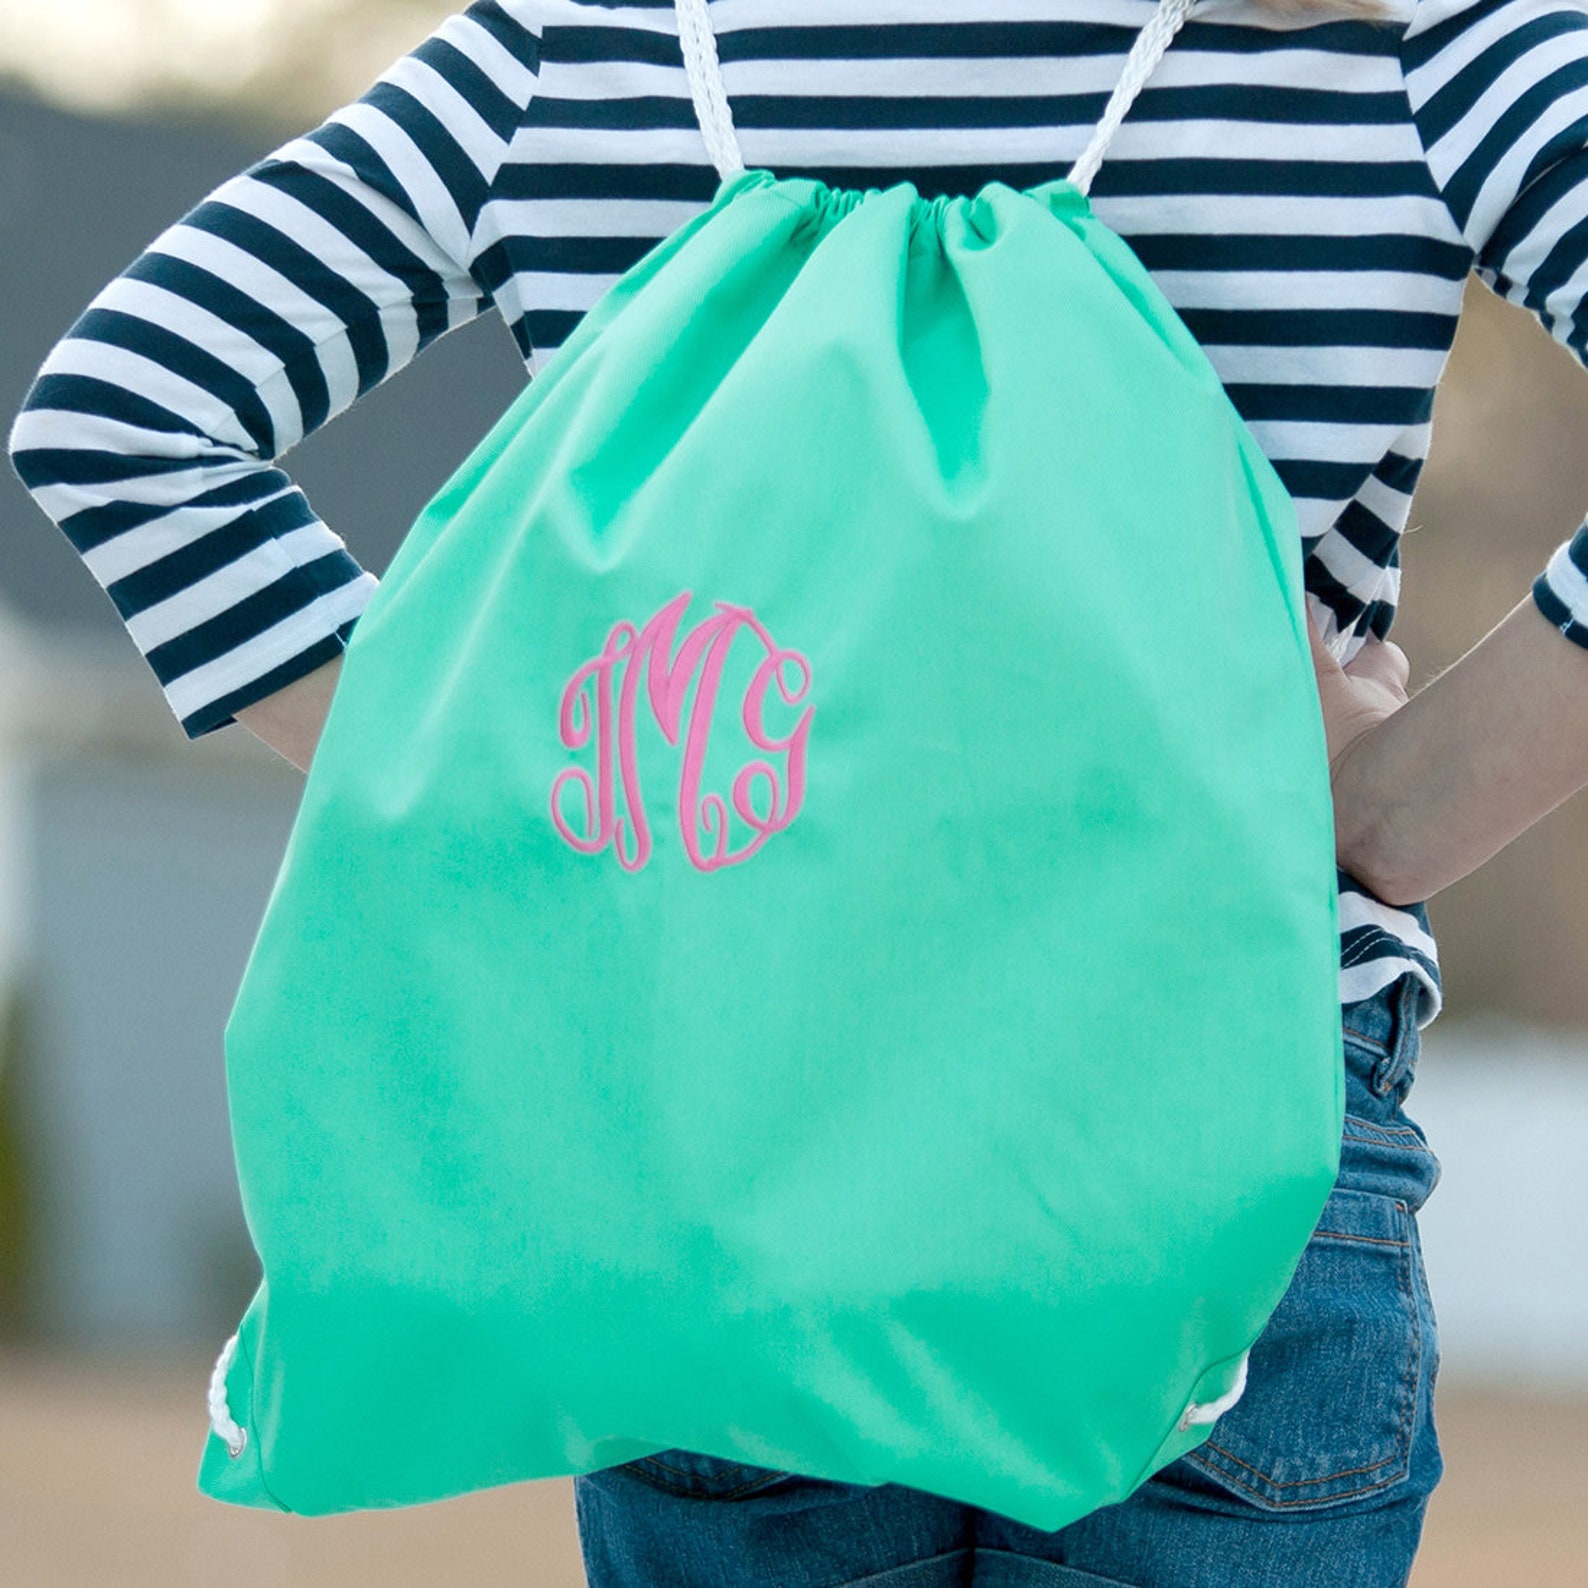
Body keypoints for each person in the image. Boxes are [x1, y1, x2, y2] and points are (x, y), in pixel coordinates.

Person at [12, 0, 1588, 1581]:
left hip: (721, 1155)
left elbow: (120, 415)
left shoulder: (572, 55)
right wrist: (1388, 805)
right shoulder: (1408, 47)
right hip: (1215, 1140)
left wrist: (516, 771)